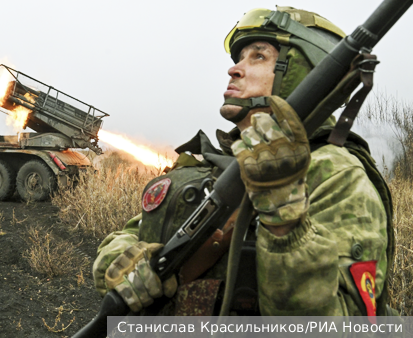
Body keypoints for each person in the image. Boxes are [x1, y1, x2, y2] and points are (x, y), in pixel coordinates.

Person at [92, 6, 395, 316]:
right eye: (239, 58)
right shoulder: (213, 161)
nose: (234, 69)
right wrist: (120, 260)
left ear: (300, 75)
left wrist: (285, 222)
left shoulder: (337, 174)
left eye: (258, 57)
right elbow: (133, 232)